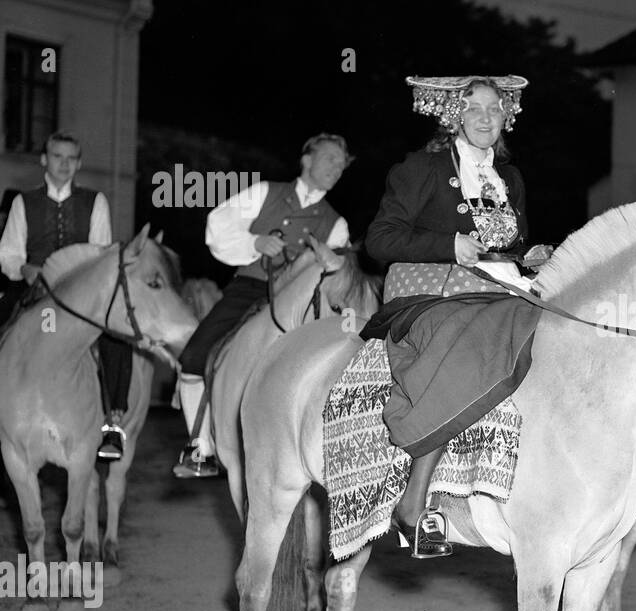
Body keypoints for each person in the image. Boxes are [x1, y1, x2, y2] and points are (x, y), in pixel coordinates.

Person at [365, 75, 544, 558]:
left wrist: (532, 255)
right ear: (454, 116)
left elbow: (506, 248)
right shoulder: (420, 168)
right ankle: (414, 503)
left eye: (495, 109)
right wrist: (447, 246)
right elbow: (380, 240)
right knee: (465, 343)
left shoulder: (510, 178)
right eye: (475, 108)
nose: (487, 118)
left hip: (498, 290)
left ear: (507, 116)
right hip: (426, 293)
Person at [172, 134, 351, 477]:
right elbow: (218, 224)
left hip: (301, 306)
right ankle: (200, 449)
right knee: (193, 358)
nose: (337, 167)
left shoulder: (336, 225)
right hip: (250, 287)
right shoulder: (265, 192)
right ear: (307, 159)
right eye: (330, 158)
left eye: (342, 163)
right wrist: (255, 241)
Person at [0, 131, 134, 461]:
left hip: (81, 294)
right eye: (57, 156)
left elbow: (100, 252)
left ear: (79, 163)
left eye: (71, 158)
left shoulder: (95, 201)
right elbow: (8, 254)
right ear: (45, 159)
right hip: (37, 289)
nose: (64, 163)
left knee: (118, 337)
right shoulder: (23, 202)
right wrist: (26, 268)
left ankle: (112, 424)